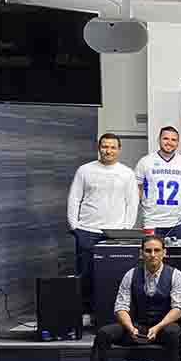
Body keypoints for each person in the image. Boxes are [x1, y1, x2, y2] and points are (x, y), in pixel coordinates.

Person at [84, 235, 181, 361]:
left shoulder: (175, 275)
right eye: (148, 251)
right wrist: (130, 327)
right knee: (104, 333)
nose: (152, 254)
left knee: (174, 332)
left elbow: (179, 308)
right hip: (138, 326)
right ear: (141, 253)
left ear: (164, 253)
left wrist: (158, 327)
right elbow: (121, 307)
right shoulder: (131, 275)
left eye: (157, 250)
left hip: (162, 327)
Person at [67, 133, 138, 313]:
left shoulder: (126, 173)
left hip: (115, 233)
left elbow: (132, 203)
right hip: (86, 230)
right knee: (86, 274)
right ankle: (84, 312)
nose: (109, 150)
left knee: (112, 275)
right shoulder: (85, 170)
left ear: (119, 150)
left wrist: (125, 229)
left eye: (113, 147)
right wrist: (74, 226)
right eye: (105, 146)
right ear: (99, 148)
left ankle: (109, 311)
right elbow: (74, 198)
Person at [135, 126, 181, 237]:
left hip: (178, 221)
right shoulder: (145, 161)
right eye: (166, 138)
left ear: (177, 142)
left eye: (173, 140)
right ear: (159, 140)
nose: (169, 142)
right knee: (151, 253)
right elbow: (138, 188)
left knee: (178, 254)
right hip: (152, 221)